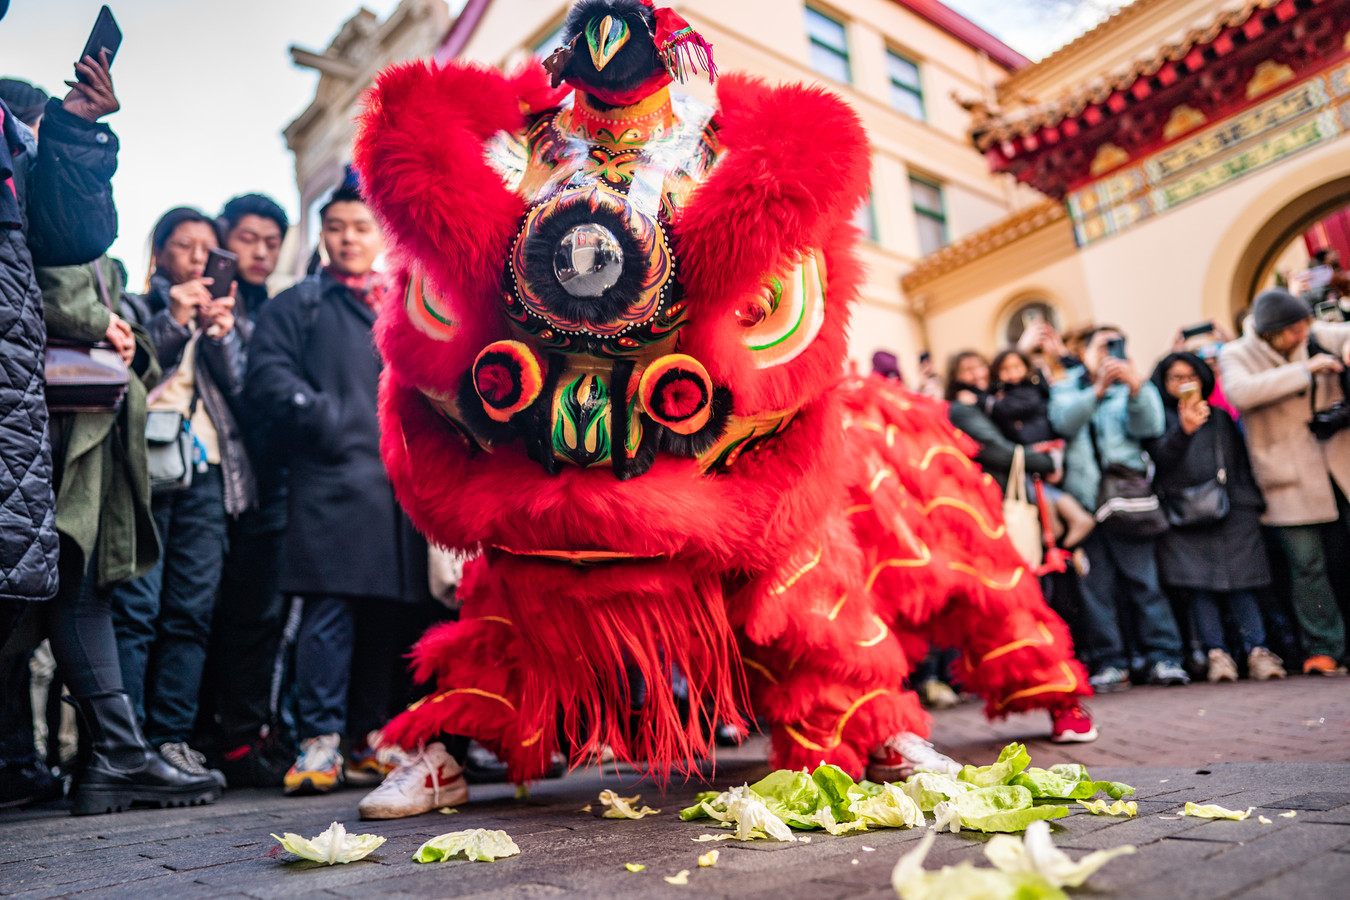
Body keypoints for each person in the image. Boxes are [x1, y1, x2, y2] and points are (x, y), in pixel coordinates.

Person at [0, 50, 218, 814]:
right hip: (54, 432)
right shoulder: (27, 193)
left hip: (74, 430)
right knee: (66, 583)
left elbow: (131, 339)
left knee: (60, 586)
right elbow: (47, 290)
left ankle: (82, 759)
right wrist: (107, 323)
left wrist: (126, 328)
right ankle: (108, 756)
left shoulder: (90, 240)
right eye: (35, 139)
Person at [246, 183, 428, 797]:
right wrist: (326, 417)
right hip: (328, 481)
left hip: (394, 486)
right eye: (337, 227)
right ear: (322, 234)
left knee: (386, 616)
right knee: (329, 612)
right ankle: (318, 740)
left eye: (361, 227)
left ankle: (366, 739)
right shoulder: (299, 305)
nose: (349, 238)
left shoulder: (403, 304)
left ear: (381, 237)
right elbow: (267, 376)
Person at [110, 207, 256, 787]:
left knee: (191, 613)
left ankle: (171, 740)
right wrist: (173, 320)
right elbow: (129, 380)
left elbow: (247, 392)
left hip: (209, 474)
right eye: (183, 246)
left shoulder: (229, 320)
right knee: (136, 608)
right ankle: (127, 742)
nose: (197, 258)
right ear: (159, 255)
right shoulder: (137, 309)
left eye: (207, 248)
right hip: (142, 472)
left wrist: (221, 335)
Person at [200, 194, 294, 787]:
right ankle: (222, 739)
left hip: (269, 484)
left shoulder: (277, 308)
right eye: (249, 238)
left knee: (262, 616)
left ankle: (243, 735)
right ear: (224, 239)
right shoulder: (210, 303)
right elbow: (242, 391)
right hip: (221, 484)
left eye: (270, 242)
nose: (260, 252)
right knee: (217, 613)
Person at [1049, 327, 1189, 690]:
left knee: (1146, 584)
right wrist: (1096, 390)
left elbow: (1151, 426)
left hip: (1128, 504)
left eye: (1115, 344)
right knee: (1096, 591)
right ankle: (1113, 662)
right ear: (1084, 352)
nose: (1109, 352)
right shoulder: (1067, 387)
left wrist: (1136, 388)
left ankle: (1164, 658)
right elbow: (1063, 422)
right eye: (1101, 345)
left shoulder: (1135, 384)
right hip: (1086, 508)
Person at [1219, 287, 1350, 675]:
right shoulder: (1237, 354)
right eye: (1292, 330)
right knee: (1307, 567)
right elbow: (1240, 392)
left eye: (1303, 326)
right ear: (1271, 331)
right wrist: (1305, 370)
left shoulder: (1317, 335)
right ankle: (1323, 646)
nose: (1301, 334)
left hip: (1340, 466)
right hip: (1288, 476)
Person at [1146, 353, 1285, 682]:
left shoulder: (1220, 416)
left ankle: (1258, 653)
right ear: (1164, 383)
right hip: (1186, 516)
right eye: (1175, 377)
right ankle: (1217, 656)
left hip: (1233, 511)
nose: (1184, 383)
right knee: (1200, 588)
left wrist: (1251, 505)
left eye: (1190, 376)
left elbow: (1241, 463)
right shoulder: (1159, 418)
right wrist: (1183, 430)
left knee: (1244, 584)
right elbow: (1160, 462)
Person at [988, 349, 1096, 548]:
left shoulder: (1028, 390)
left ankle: (1064, 522)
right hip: (1035, 450)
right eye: (1005, 369)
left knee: (1039, 486)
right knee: (1038, 486)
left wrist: (986, 403)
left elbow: (1008, 409)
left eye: (1016, 367)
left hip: (1046, 448)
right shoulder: (1006, 393)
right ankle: (1055, 525)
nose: (1012, 373)